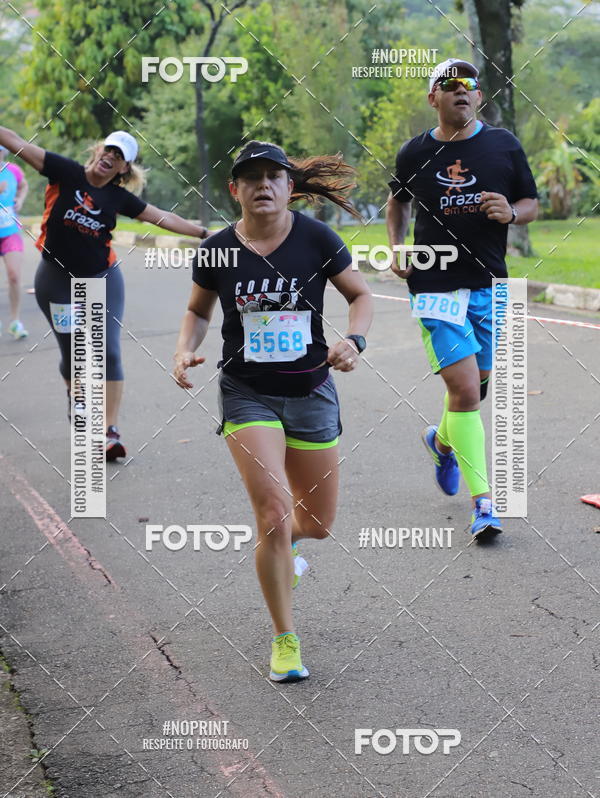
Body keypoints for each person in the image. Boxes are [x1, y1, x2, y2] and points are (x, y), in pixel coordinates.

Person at [173, 140, 373, 681]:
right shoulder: (217, 249)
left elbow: (361, 296)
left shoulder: (316, 238)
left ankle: (285, 559)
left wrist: (354, 341)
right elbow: (197, 309)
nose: (263, 185)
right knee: (273, 513)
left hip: (311, 390)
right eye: (251, 178)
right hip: (247, 393)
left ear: (290, 186)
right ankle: (285, 640)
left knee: (317, 524)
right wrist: (184, 346)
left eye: (274, 176)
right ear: (234, 190)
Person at [385, 58, 538, 540]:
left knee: (479, 384)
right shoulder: (415, 153)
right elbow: (398, 201)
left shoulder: (503, 145)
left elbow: (531, 202)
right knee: (468, 391)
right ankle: (485, 505)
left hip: (490, 283)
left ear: (478, 96)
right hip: (434, 283)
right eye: (449, 85)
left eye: (469, 84)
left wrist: (512, 212)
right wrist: (397, 246)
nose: (461, 91)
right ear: (433, 98)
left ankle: (441, 440)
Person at [0, 126, 208, 460]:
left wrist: (204, 233)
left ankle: (109, 431)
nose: (111, 157)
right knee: (75, 355)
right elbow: (19, 143)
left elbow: (161, 216)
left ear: (125, 168)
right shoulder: (64, 171)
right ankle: (76, 399)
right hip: (55, 281)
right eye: (109, 150)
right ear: (98, 151)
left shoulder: (119, 198)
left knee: (108, 352)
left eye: (120, 157)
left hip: (102, 278)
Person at [0, 144, 29, 339]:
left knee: (14, 276)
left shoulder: (13, 170)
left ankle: (15, 322)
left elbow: (24, 184)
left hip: (10, 231)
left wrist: (20, 198)